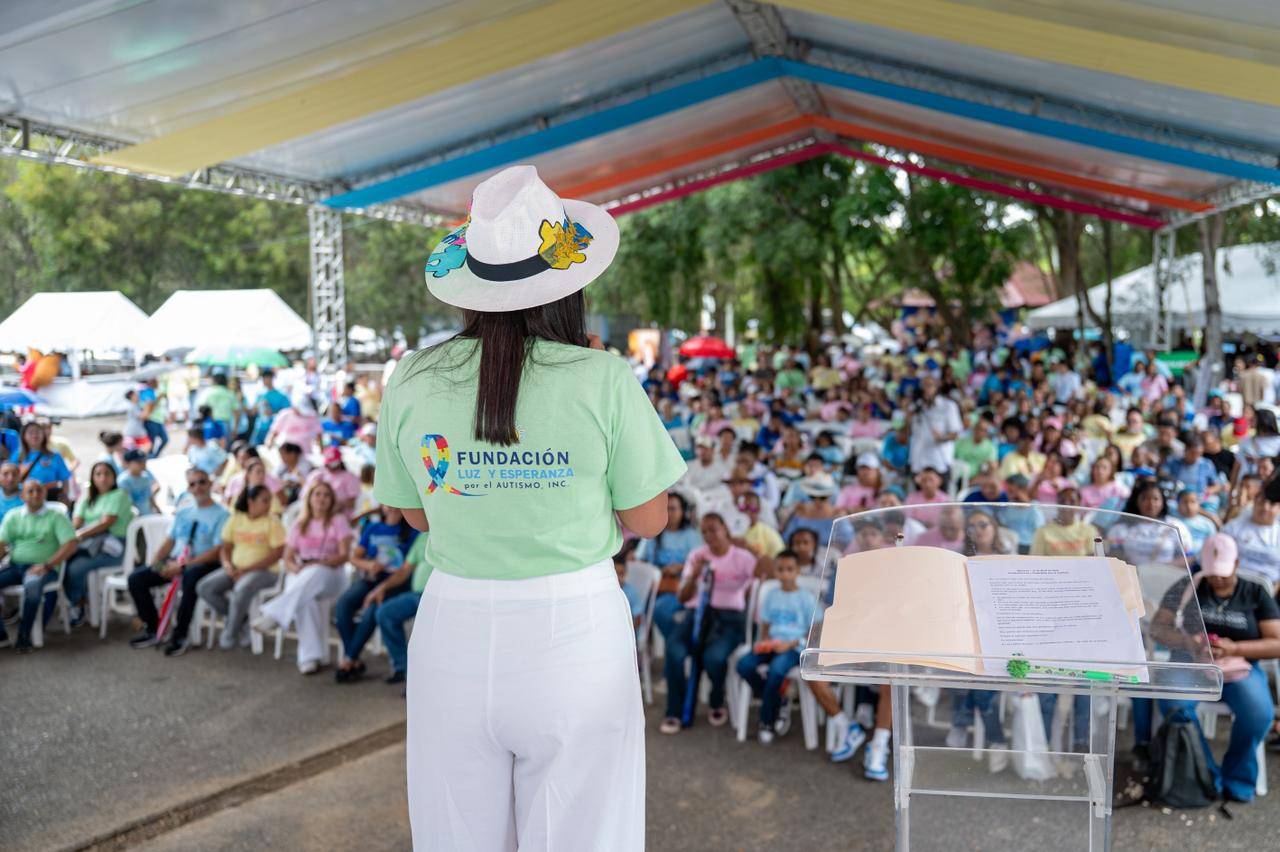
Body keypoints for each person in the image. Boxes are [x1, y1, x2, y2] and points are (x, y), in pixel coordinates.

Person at [372, 166, 684, 850]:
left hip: (451, 628)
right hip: (573, 630)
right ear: (568, 284)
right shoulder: (603, 376)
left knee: (456, 836)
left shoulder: (412, 376)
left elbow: (417, 515)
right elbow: (648, 518)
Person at [1153, 533, 1280, 803]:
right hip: (1190, 664)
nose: (1218, 579)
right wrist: (1189, 642)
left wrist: (1235, 648)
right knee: (1176, 706)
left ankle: (1237, 777)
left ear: (1237, 563)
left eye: (1223, 573)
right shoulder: (1188, 586)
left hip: (1239, 666)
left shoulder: (1254, 592)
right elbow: (1157, 628)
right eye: (1212, 573)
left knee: (1258, 715)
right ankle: (1207, 775)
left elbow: (1276, 643)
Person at [661, 513, 755, 734]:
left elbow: (764, 574)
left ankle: (716, 698)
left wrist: (754, 551)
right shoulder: (697, 556)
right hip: (696, 615)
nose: (708, 535)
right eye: (704, 531)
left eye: (713, 529)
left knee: (714, 657)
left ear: (725, 528)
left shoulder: (742, 557)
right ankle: (675, 710)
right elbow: (682, 598)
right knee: (674, 650)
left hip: (729, 618)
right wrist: (694, 575)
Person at [253, 481, 353, 674]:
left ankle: (275, 614)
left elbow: (344, 555)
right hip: (303, 573)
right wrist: (295, 568)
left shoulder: (338, 521)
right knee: (306, 599)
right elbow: (288, 558)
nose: (321, 498)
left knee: (313, 574)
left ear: (332, 500)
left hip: (331, 573)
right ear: (309, 498)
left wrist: (318, 564)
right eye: (317, 494)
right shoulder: (300, 524)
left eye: (326, 495)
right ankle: (310, 658)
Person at [126, 470, 229, 651]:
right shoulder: (184, 512)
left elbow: (217, 551)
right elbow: (169, 542)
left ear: (210, 484)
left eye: (202, 482)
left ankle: (180, 634)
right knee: (136, 578)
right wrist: (156, 562)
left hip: (203, 564)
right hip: (176, 561)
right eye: (192, 484)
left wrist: (182, 565)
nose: (198, 487)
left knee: (190, 577)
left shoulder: (222, 514)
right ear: (188, 488)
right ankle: (153, 628)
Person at [735, 550, 817, 743]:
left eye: (790, 569)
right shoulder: (772, 595)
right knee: (744, 665)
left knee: (776, 670)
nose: (785, 574)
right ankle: (777, 699)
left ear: (798, 571)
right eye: (780, 569)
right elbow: (765, 624)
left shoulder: (806, 598)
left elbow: (814, 630)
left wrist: (791, 643)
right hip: (772, 644)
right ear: (775, 571)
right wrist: (764, 641)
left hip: (794, 647)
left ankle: (767, 721)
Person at [333, 506, 419, 683]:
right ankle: (352, 658)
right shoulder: (373, 527)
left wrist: (383, 586)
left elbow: (407, 568)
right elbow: (354, 557)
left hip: (395, 583)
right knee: (343, 606)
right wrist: (369, 565)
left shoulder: (412, 530)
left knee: (373, 609)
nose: (392, 507)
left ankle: (349, 660)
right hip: (371, 578)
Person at [195, 484, 285, 651]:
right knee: (205, 587)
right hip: (236, 569)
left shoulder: (273, 522)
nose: (269, 505)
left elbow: (277, 554)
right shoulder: (236, 519)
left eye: (269, 501)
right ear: (251, 502)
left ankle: (230, 633)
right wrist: (228, 565)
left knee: (241, 588)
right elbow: (225, 548)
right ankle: (242, 620)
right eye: (264, 501)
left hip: (265, 572)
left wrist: (247, 570)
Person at [0, 480, 78, 652]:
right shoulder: (13, 516)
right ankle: (1, 635)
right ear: (22, 496)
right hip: (16, 566)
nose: (35, 494)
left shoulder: (56, 516)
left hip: (44, 568)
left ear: (44, 494)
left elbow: (71, 544)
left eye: (39, 490)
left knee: (32, 586)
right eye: (30, 491)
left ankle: (24, 635)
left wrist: (48, 565)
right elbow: (2, 544)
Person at [63, 461, 134, 626]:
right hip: (88, 545)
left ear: (114, 477)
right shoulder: (87, 496)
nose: (103, 478)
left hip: (112, 548)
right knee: (63, 562)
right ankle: (82, 598)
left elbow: (106, 523)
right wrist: (74, 534)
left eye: (107, 474)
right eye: (98, 474)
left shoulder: (119, 495)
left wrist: (79, 535)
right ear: (92, 478)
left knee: (75, 568)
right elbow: (76, 521)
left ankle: (78, 604)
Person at [1222, 482, 1280, 590]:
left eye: (1272, 504)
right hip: (1233, 585)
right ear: (1254, 502)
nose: (1265, 508)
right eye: (1261, 502)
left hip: (1268, 589)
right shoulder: (1234, 526)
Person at [909, 375, 962, 483]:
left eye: (929, 385)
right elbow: (909, 431)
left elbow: (956, 434)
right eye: (923, 386)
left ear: (937, 387)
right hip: (918, 461)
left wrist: (941, 438)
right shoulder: (916, 406)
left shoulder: (948, 406)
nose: (926, 389)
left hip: (939, 461)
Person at [12, 421, 71, 504]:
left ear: (43, 435)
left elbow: (65, 479)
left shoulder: (54, 456)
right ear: (24, 436)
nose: (34, 435)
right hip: (24, 499)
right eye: (30, 432)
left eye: (37, 432)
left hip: (49, 498)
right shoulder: (17, 456)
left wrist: (65, 496)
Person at [1030, 487, 1098, 557]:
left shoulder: (1089, 530)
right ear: (1057, 503)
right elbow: (1035, 559)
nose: (1067, 505)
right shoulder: (1042, 531)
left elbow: (1093, 559)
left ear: (1079, 504)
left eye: (1072, 502)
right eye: (1062, 501)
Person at [303, 446, 361, 516]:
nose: (330, 466)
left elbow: (355, 502)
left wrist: (334, 504)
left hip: (341, 514)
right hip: (317, 513)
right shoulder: (318, 474)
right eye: (328, 463)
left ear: (339, 462)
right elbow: (305, 495)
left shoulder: (350, 477)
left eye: (333, 463)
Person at [249, 369, 291, 446]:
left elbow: (288, 412)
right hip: (259, 428)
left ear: (271, 378)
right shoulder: (260, 395)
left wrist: (272, 411)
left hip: (273, 429)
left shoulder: (281, 395)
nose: (264, 381)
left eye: (266, 378)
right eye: (263, 378)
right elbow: (253, 412)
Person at [117, 449, 159, 517]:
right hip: (136, 517)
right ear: (128, 463)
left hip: (148, 514)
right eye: (139, 462)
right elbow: (129, 504)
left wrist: (158, 510)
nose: (143, 463)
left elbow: (149, 497)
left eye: (144, 461)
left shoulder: (145, 476)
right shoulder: (123, 480)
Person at [201, 372, 238, 447]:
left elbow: (202, 408)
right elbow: (236, 413)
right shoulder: (230, 393)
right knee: (224, 447)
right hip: (225, 423)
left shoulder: (209, 393)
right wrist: (235, 428)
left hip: (211, 423)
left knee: (210, 446)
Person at [138, 377, 169, 458]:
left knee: (164, 439)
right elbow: (149, 409)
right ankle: (151, 457)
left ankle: (154, 456)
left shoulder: (154, 391)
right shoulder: (146, 392)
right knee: (152, 443)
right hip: (151, 421)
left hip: (158, 420)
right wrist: (158, 399)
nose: (157, 382)